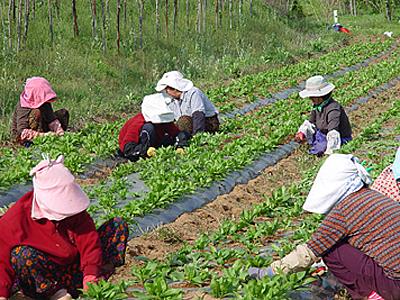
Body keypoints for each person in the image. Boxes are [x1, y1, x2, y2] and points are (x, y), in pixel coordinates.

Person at [248, 154, 400, 300]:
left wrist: (269, 272)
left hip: (396, 285)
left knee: (331, 250)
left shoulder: (344, 210)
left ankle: (373, 295)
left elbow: (310, 251)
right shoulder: (373, 196)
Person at [0, 155, 129, 300]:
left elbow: (89, 242)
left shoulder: (76, 214)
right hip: (42, 276)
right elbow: (2, 262)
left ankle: (98, 277)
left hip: (72, 269)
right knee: (21, 255)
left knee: (117, 225)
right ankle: (57, 294)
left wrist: (91, 274)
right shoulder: (16, 218)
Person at [118, 93, 190, 162]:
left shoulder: (163, 120)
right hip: (137, 148)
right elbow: (127, 148)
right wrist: (145, 150)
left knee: (180, 136)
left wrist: (180, 145)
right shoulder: (138, 123)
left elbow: (176, 133)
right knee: (149, 128)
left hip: (155, 142)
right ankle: (145, 153)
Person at [295, 75, 352, 156]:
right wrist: (302, 133)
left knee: (321, 148)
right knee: (316, 142)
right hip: (323, 134)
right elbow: (311, 122)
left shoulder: (333, 109)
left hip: (340, 137)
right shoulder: (317, 106)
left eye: (312, 96)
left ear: (321, 96)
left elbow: (333, 133)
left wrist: (329, 152)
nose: (310, 99)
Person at [155, 71, 219, 135]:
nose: (166, 93)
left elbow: (198, 115)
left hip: (207, 122)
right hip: (190, 123)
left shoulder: (193, 93)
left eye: (167, 90)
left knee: (183, 121)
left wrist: (197, 137)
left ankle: (191, 136)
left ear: (174, 88)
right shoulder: (171, 100)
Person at [11, 77, 69, 147]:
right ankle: (33, 143)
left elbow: (51, 119)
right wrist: (43, 135)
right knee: (36, 112)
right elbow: (22, 131)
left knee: (63, 113)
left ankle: (52, 139)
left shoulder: (45, 102)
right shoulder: (23, 106)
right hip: (25, 135)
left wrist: (59, 131)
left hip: (41, 126)